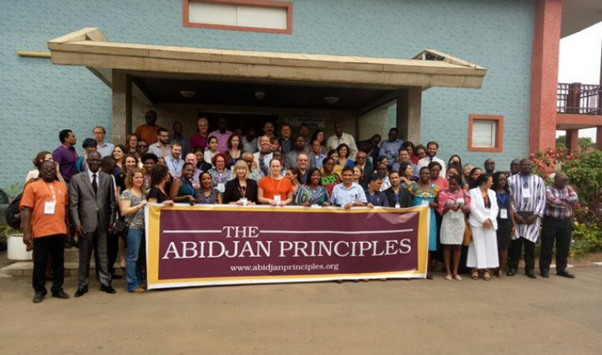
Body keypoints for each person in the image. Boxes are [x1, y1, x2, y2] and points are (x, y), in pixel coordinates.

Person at [20, 161, 70, 303]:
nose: (49, 171)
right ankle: (39, 290)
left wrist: (67, 227)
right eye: (46, 169)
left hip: (59, 230)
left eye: (52, 169)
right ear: (40, 171)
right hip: (40, 230)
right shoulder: (32, 187)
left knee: (58, 261)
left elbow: (65, 208)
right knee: (40, 262)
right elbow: (26, 209)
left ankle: (57, 288)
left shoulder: (62, 186)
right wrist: (26, 232)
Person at [69, 151, 117, 297]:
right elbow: (73, 204)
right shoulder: (77, 179)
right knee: (84, 256)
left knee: (103, 255)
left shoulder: (108, 178)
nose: (95, 162)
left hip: (103, 223)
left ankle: (105, 283)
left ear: (101, 162)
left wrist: (111, 220)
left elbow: (112, 202)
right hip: (85, 223)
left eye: (98, 159)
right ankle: (82, 285)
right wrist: (77, 224)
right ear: (87, 162)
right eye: (92, 159)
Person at [507, 159, 546, 278]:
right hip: (517, 216)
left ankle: (529, 269)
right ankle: (512, 267)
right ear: (519, 166)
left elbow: (542, 198)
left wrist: (536, 215)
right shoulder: (511, 180)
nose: (527, 167)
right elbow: (509, 199)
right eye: (524, 165)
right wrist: (514, 214)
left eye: (529, 165)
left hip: (532, 217)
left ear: (532, 166)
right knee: (516, 244)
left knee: (530, 245)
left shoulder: (538, 180)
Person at [539, 172, 579, 279]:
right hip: (551, 221)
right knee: (547, 246)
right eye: (563, 180)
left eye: (566, 180)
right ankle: (544, 269)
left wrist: (564, 201)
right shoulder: (548, 189)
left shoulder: (569, 188)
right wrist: (568, 202)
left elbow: (575, 199)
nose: (565, 182)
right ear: (556, 180)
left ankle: (561, 269)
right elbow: (553, 202)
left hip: (565, 221)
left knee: (564, 246)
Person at [118, 168, 148, 293]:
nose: (139, 179)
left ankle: (140, 281)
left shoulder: (144, 193)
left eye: (141, 177)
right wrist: (140, 205)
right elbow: (124, 211)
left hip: (145, 228)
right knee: (132, 257)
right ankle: (132, 284)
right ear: (131, 179)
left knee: (140, 257)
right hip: (133, 228)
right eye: (137, 177)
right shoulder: (127, 193)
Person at [408, 167, 440, 279]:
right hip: (416, 218)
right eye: (423, 173)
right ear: (419, 174)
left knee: (428, 243)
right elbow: (409, 202)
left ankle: (427, 270)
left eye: (427, 173)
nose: (425, 175)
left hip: (430, 218)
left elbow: (438, 204)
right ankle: (414, 268)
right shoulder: (412, 187)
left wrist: (434, 205)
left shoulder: (435, 189)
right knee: (415, 242)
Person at [437, 174, 470, 281]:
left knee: (457, 247)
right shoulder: (443, 193)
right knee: (447, 247)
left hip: (459, 221)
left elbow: (468, 208)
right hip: (448, 221)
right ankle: (448, 271)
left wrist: (464, 207)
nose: (452, 186)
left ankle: (455, 271)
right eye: (450, 183)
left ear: (459, 184)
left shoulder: (464, 193)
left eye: (454, 184)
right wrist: (448, 207)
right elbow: (440, 210)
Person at [467, 174, 499, 281]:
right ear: (484, 182)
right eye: (491, 181)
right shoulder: (473, 192)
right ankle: (476, 268)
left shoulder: (492, 193)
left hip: (490, 222)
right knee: (477, 245)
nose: (492, 183)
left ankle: (487, 269)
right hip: (477, 222)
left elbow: (495, 208)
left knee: (489, 246)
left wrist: (490, 219)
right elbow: (473, 208)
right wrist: (483, 220)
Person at [492, 172, 516, 278]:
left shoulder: (508, 191)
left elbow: (510, 208)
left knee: (504, 246)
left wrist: (514, 224)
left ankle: (501, 268)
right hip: (495, 221)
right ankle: (494, 267)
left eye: (504, 180)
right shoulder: (492, 192)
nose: (502, 182)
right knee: (494, 245)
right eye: (500, 180)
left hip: (506, 222)